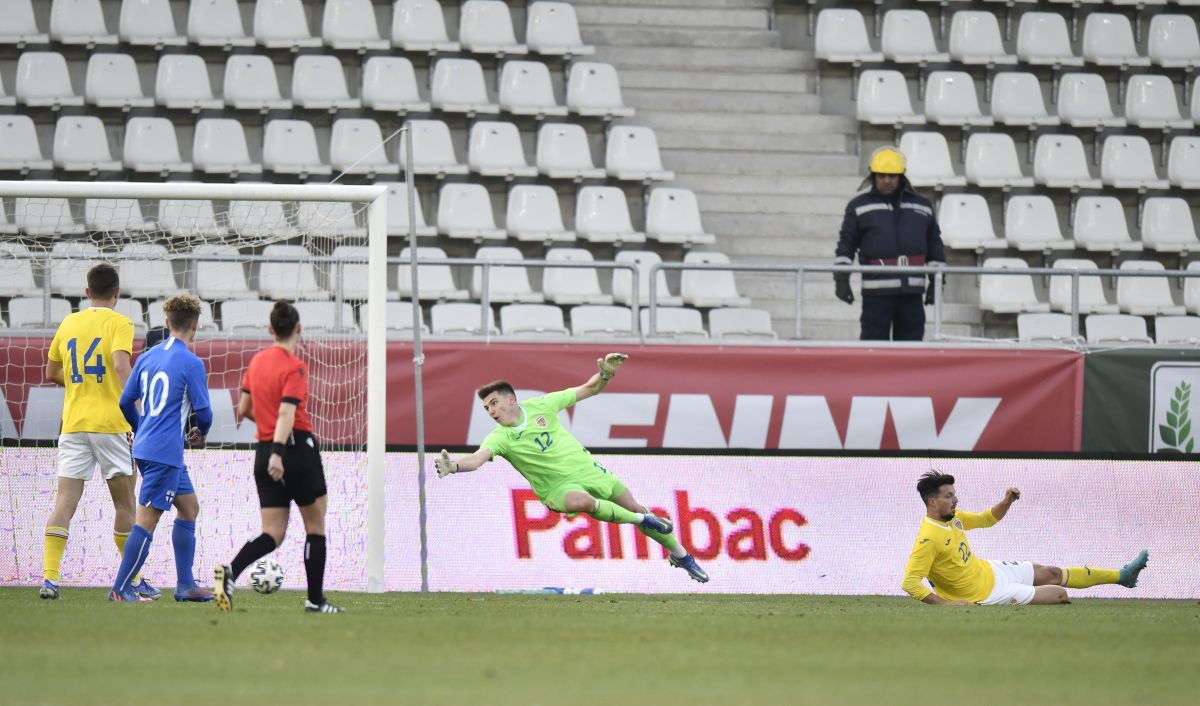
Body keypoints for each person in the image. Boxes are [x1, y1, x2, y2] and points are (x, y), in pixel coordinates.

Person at [435, 353, 711, 584]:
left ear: (511, 399)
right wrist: (456, 465)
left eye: (493, 403)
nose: (491, 411)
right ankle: (642, 521)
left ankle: (680, 555)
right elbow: (478, 458)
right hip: (557, 488)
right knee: (585, 502)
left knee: (636, 507)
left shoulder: (542, 405)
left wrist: (605, 375)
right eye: (486, 408)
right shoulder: (500, 438)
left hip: (586, 468)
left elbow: (588, 389)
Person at [40, 263, 160, 601]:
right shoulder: (120, 322)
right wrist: (137, 405)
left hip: (74, 423)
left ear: (87, 291)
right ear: (117, 293)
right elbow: (122, 365)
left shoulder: (69, 322)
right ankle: (132, 582)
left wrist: (84, 384)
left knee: (65, 500)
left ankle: (49, 579)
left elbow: (51, 371)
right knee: (124, 502)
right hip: (111, 425)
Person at [214, 300, 342, 614]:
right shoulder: (294, 366)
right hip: (294, 450)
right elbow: (288, 411)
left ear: (271, 329)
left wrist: (271, 440)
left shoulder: (256, 362)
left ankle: (230, 571)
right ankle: (315, 601)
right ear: (298, 329)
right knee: (315, 524)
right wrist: (279, 451)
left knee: (273, 532)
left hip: (262, 448)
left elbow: (243, 409)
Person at [902, 471, 1150, 606]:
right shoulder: (928, 539)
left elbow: (987, 518)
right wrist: (946, 604)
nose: (955, 500)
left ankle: (1122, 576)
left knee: (1051, 572)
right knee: (1060, 594)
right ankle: (1019, 594)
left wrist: (1006, 501)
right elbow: (910, 582)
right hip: (986, 594)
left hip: (990, 570)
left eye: (954, 494)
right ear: (932, 502)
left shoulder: (954, 518)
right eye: (948, 496)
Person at [110, 295, 215, 603]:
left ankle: (185, 585)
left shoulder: (146, 358)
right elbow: (205, 414)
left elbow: (124, 402)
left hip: (149, 447)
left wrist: (143, 428)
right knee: (148, 519)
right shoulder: (192, 363)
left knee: (189, 507)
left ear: (167, 323)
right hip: (165, 452)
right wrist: (200, 431)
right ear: (195, 326)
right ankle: (120, 588)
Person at [833, 146, 946, 341]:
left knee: (911, 351)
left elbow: (934, 245)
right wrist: (841, 279)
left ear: (901, 176)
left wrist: (937, 282)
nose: (887, 180)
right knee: (874, 350)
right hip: (876, 295)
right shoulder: (859, 207)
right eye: (882, 175)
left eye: (892, 176)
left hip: (912, 294)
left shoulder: (923, 206)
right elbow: (847, 244)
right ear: (873, 175)